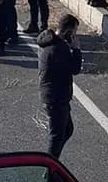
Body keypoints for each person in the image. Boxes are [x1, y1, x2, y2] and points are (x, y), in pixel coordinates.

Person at [37, 14, 83, 158]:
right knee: (57, 135)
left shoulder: (49, 41)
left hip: (54, 94)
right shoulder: (58, 49)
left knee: (67, 129)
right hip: (56, 97)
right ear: (68, 31)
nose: (75, 36)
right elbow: (75, 69)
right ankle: (50, 166)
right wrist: (76, 49)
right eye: (74, 32)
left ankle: (53, 160)